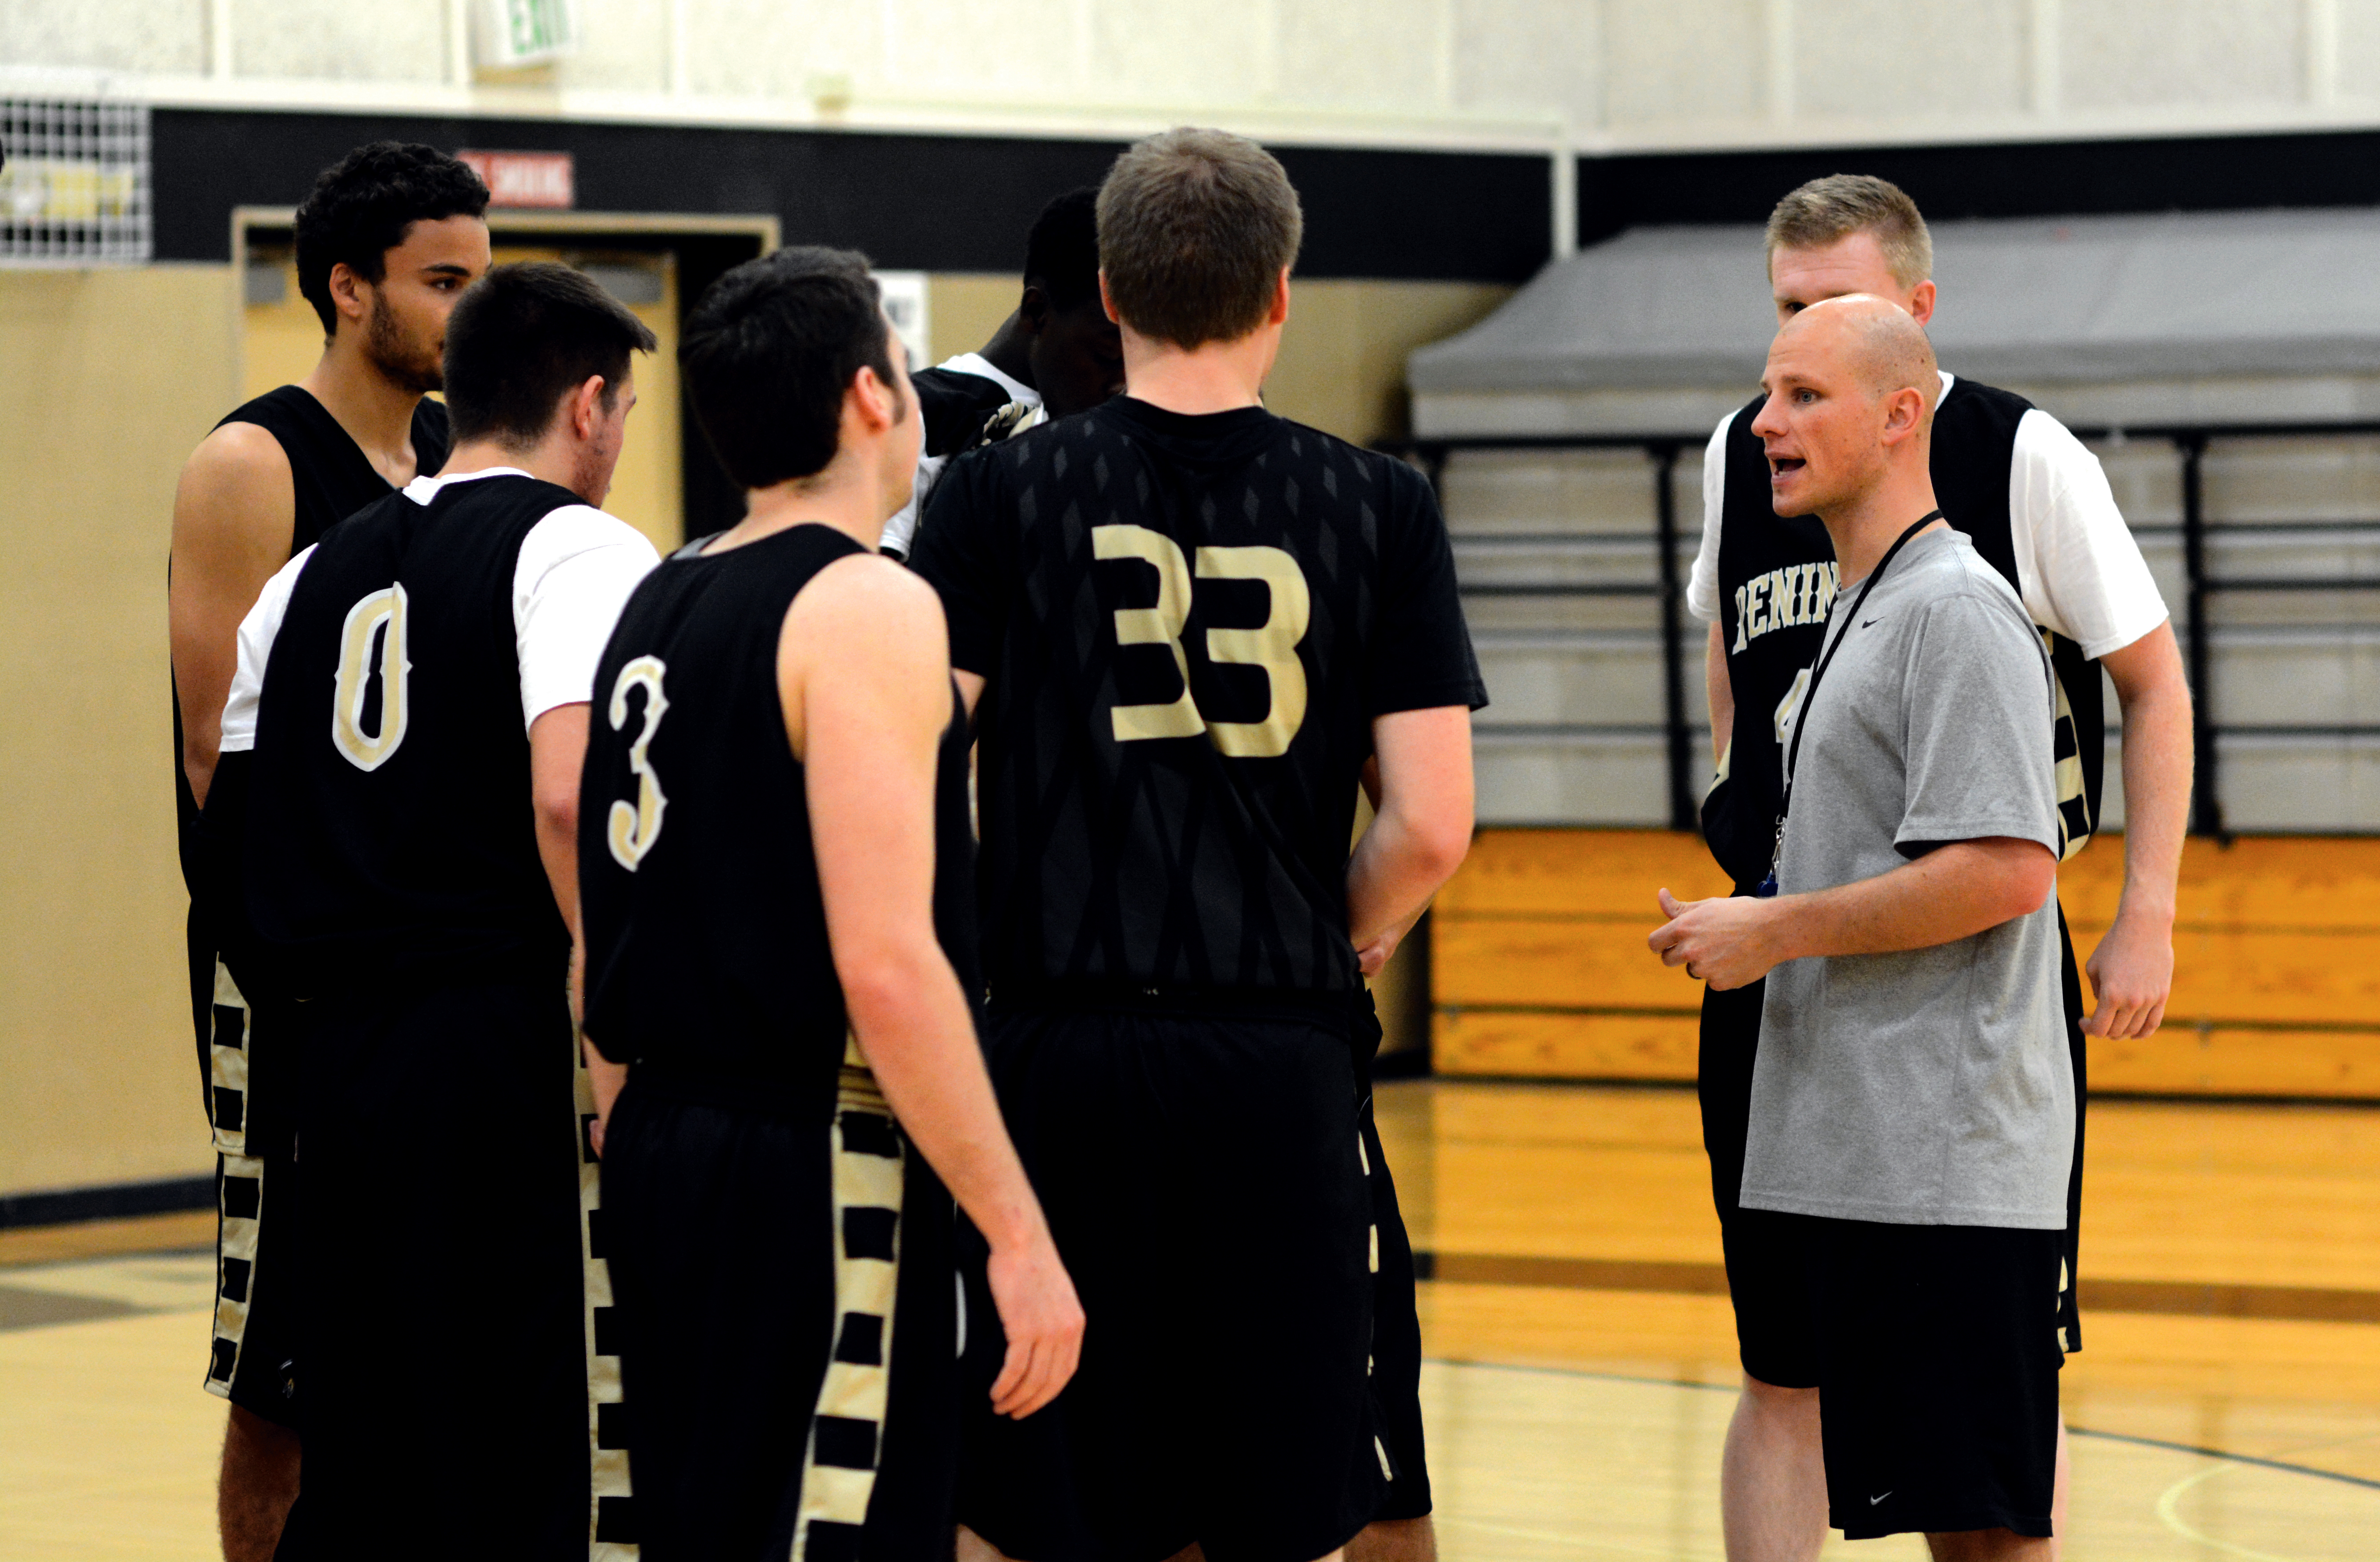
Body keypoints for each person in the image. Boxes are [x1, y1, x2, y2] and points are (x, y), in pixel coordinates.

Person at [910, 127, 1483, 1562]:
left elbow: (918, 758)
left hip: (1055, 1050)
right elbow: (1431, 822)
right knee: (1278, 1506)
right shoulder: (1378, 504)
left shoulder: (992, 496)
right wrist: (1333, 922)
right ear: (1281, 291)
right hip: (1273, 1056)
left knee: (1032, 1497)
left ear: (1104, 291)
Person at [1686, 174, 2191, 1559]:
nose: (1776, 396)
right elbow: (1731, 671)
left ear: (1909, 326)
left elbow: (2130, 708)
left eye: (1828, 327)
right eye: (1782, 324)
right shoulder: (1752, 460)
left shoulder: (2007, 479)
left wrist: (2144, 909)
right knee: (1781, 1362)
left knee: (1982, 1438)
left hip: (1940, 1017)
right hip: (1793, 988)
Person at [575, 244, 1083, 1561]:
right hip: (815, 1148)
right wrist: (1015, 1229)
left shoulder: (658, 592)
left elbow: (604, 912)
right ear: (875, 397)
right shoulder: (867, 601)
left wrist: (633, 1131)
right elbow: (889, 961)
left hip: (657, 1138)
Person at [208, 262, 662, 1559]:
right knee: (518, 1437)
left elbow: (224, 798)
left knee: (359, 1439)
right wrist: (607, 1030)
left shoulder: (307, 574)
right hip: (497, 1040)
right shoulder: (575, 545)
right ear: (588, 406)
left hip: (330, 1055)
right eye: (623, 411)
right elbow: (571, 803)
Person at [1656, 294, 2074, 1557]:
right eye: (1767, 394)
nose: (1765, 425)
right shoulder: (1859, 604)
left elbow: (2005, 869)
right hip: (1863, 1168)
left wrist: (1776, 931)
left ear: (1901, 416)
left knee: (1984, 1534)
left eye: (1802, 397)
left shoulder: (1953, 609)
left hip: (1940, 1179)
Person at [164, 139, 488, 1562]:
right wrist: (316, 961)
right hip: (284, 971)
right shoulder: (250, 461)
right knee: (283, 1364)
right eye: (441, 282)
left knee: (420, 1341)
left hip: (421, 973)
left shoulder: (450, 468)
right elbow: (213, 761)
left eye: (483, 281)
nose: (469, 313)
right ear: (349, 289)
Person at [878, 186, 1126, 558]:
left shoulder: (1128, 424)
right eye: (1108, 353)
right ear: (1037, 312)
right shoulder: (922, 414)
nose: (1124, 381)